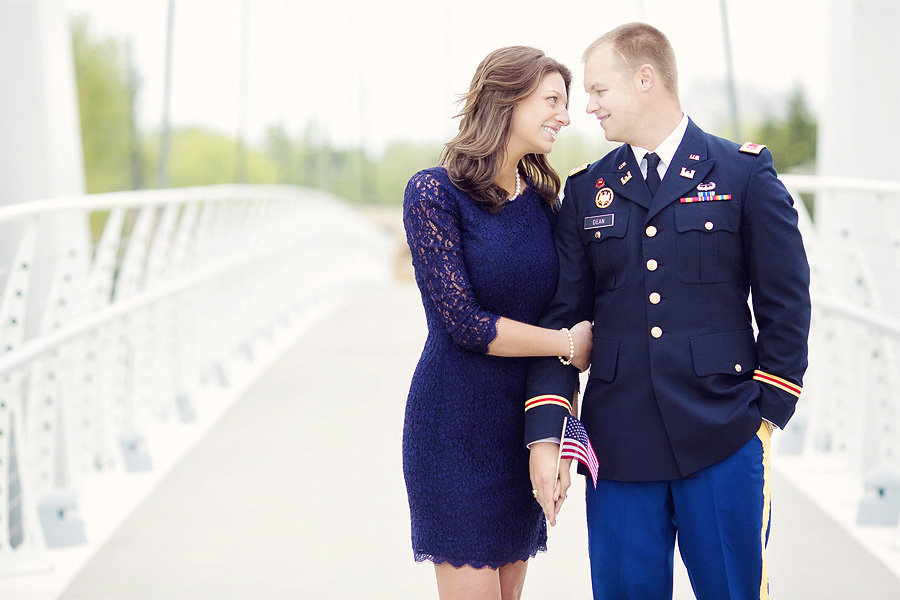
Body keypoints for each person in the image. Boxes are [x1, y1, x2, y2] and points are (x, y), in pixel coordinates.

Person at [525, 23, 811, 600]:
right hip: (619, 446)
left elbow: (786, 301)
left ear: (645, 79)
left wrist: (766, 415)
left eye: (600, 90)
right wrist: (547, 432)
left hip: (723, 436)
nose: (589, 106)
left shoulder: (742, 173)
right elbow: (564, 321)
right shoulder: (587, 191)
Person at [402, 46, 592, 600]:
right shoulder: (433, 194)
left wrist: (557, 434)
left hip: (522, 428)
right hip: (453, 427)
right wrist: (564, 344)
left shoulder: (545, 202)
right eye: (553, 100)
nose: (564, 114)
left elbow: (563, 304)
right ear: (507, 100)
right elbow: (465, 323)